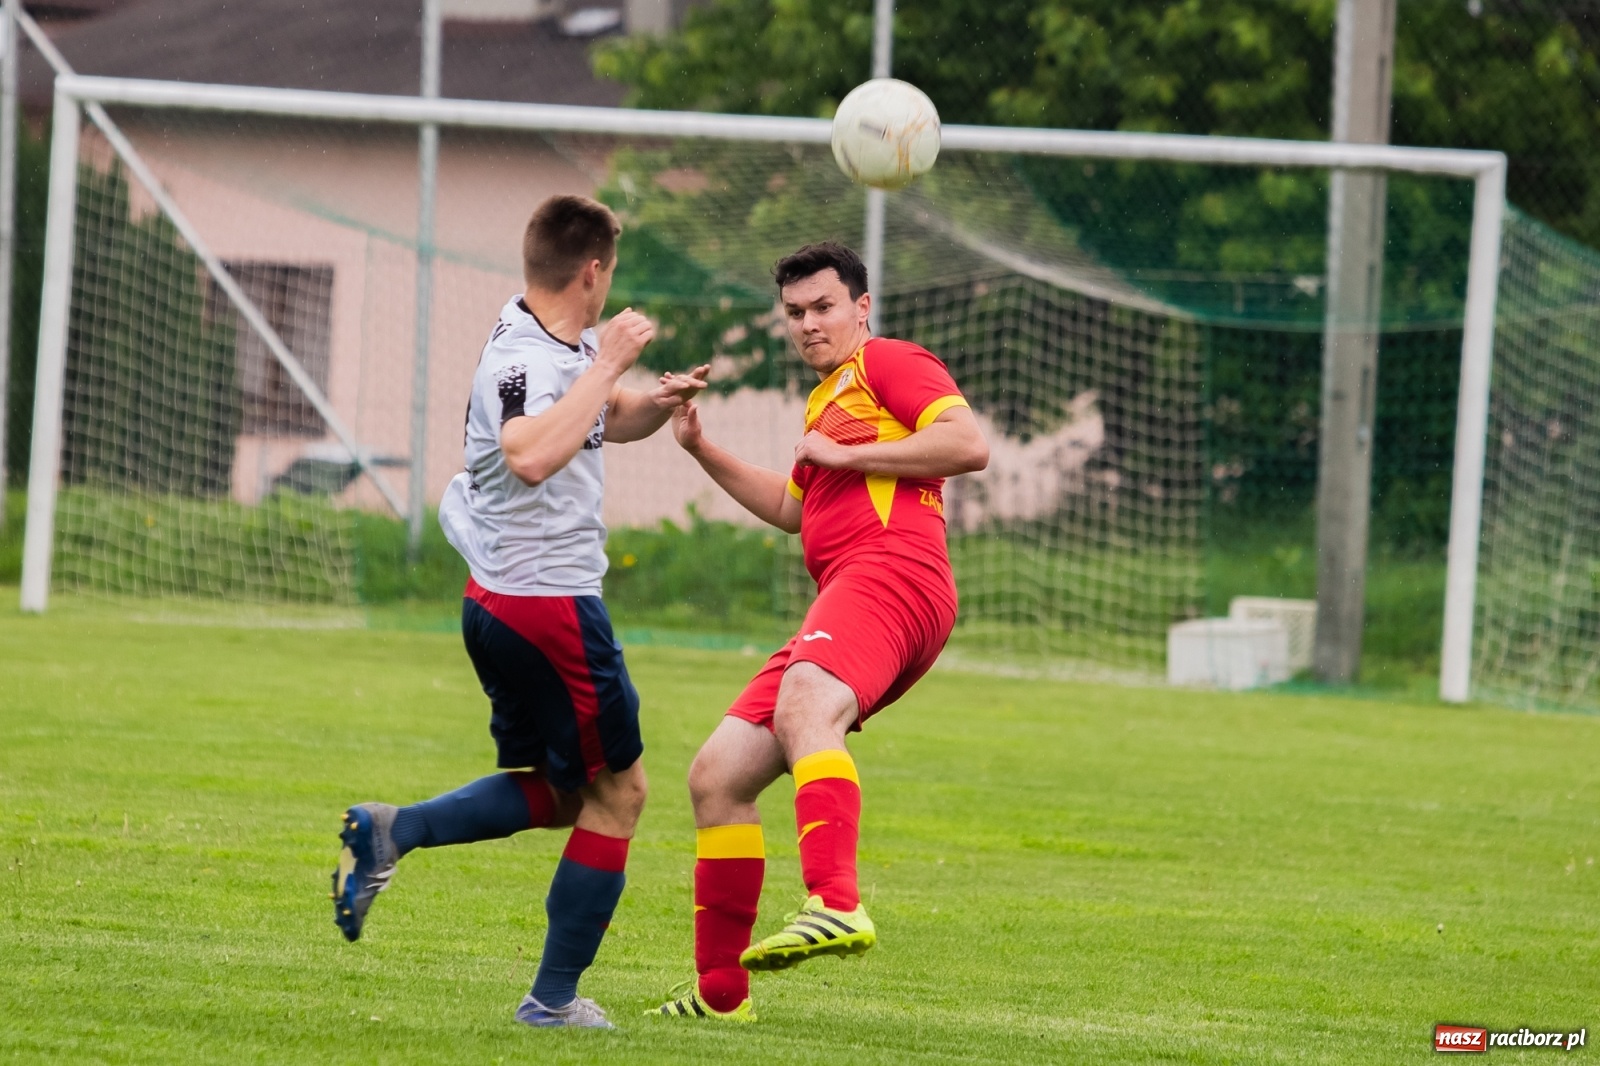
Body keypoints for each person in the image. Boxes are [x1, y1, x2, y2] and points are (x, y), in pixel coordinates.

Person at [331, 194, 708, 1030]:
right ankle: (554, 1000)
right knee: (622, 794)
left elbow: (593, 423)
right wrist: (611, 363)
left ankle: (395, 832)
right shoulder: (532, 361)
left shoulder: (548, 340)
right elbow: (532, 453)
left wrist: (654, 400)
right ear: (593, 270)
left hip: (508, 603)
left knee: (567, 791)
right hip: (547, 607)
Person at [652, 241, 989, 1022]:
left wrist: (848, 449)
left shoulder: (889, 363)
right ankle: (720, 994)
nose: (808, 324)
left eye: (824, 307)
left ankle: (836, 901)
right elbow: (793, 510)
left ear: (861, 307)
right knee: (717, 775)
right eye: (795, 313)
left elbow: (968, 445)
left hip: (894, 570)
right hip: (846, 588)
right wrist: (701, 447)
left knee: (806, 704)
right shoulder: (827, 400)